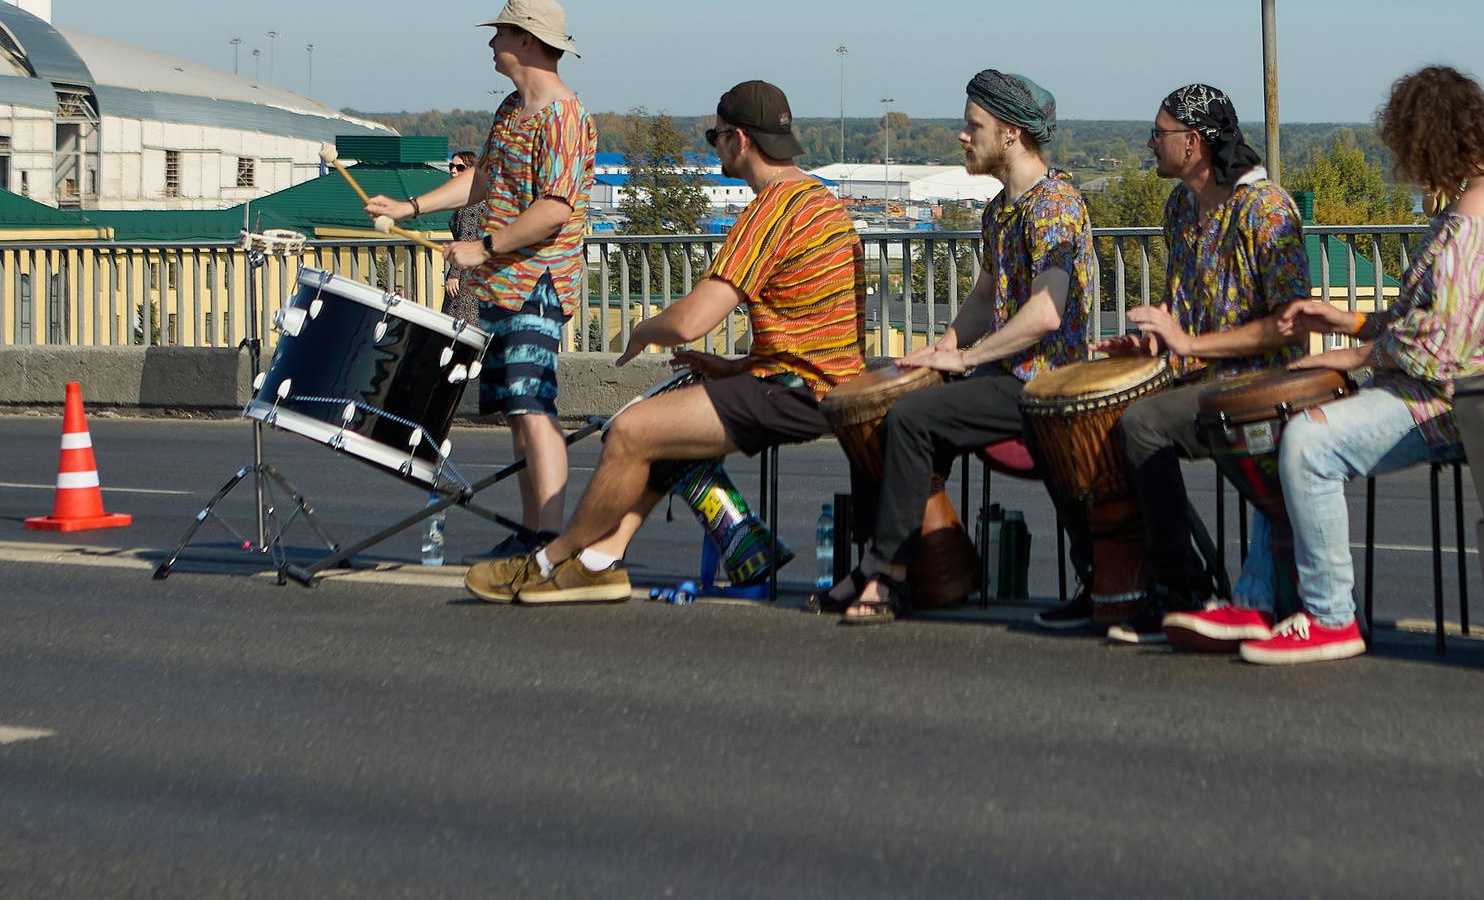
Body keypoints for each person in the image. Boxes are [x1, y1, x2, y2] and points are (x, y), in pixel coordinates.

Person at [465, 80, 866, 604]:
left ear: (739, 140)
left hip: (800, 391)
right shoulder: (821, 202)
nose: (714, 145)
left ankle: (550, 559)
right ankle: (601, 560)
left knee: (630, 429)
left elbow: (690, 320)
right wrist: (735, 366)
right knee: (662, 421)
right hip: (816, 380)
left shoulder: (773, 208)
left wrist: (642, 330)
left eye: (714, 136)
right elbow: (817, 328)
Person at [1254, 66, 1484, 665]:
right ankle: (1264, 596)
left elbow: (1436, 350)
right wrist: (1345, 321)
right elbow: (1424, 314)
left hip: (1467, 404)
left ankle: (1329, 617)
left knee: (1303, 444)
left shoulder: (1475, 224)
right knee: (1289, 431)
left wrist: (1358, 355)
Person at [835, 70, 1095, 627]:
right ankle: (890, 562)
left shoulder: (1056, 206)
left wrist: (967, 359)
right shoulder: (1000, 209)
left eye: (973, 125)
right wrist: (944, 346)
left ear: (1010, 135)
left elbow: (1047, 311)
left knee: (910, 419)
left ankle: (890, 577)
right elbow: (985, 294)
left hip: (1043, 380)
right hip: (1006, 374)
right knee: (881, 410)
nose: (962, 135)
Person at [366, 0, 594, 554]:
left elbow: (555, 208)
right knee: (517, 414)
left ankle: (549, 539)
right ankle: (531, 532)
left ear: (527, 41)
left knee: (533, 406)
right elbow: (483, 181)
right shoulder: (510, 111)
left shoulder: (564, 117)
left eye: (500, 34)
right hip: (499, 284)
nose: (491, 43)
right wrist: (407, 208)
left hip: (538, 284)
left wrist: (482, 245)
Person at [1098, 83, 1308, 648]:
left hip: (1263, 387)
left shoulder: (1264, 208)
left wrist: (1188, 346)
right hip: (1205, 380)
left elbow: (1291, 323)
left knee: (1140, 425)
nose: (1150, 142)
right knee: (1110, 415)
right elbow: (1187, 306)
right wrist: (1154, 341)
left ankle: (1182, 593)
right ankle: (1136, 585)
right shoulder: (1179, 207)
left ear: (1192, 143)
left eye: (1159, 133)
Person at [440, 150, 485, 327]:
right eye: (451, 166)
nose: (453, 171)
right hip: (474, 272)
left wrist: (454, 274)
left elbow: (466, 239)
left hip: (468, 275)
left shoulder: (471, 203)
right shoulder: (474, 198)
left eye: (460, 167)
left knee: (460, 326)